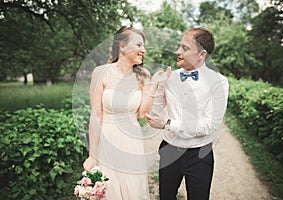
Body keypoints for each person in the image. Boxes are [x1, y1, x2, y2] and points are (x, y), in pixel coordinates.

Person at [82, 26, 171, 200]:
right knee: (109, 191)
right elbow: (96, 116)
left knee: (134, 190)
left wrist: (154, 84)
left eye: (143, 46)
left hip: (132, 141)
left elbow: (141, 113)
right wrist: (93, 155)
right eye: (138, 45)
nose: (143, 50)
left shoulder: (143, 75)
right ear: (122, 46)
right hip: (107, 142)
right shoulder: (101, 73)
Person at [145, 27, 229, 200]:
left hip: (200, 154)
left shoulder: (219, 82)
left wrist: (168, 124)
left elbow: (210, 125)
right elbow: (152, 113)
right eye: (179, 46)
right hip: (169, 149)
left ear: (201, 54)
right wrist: (154, 85)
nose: (178, 51)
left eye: (185, 48)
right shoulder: (169, 77)